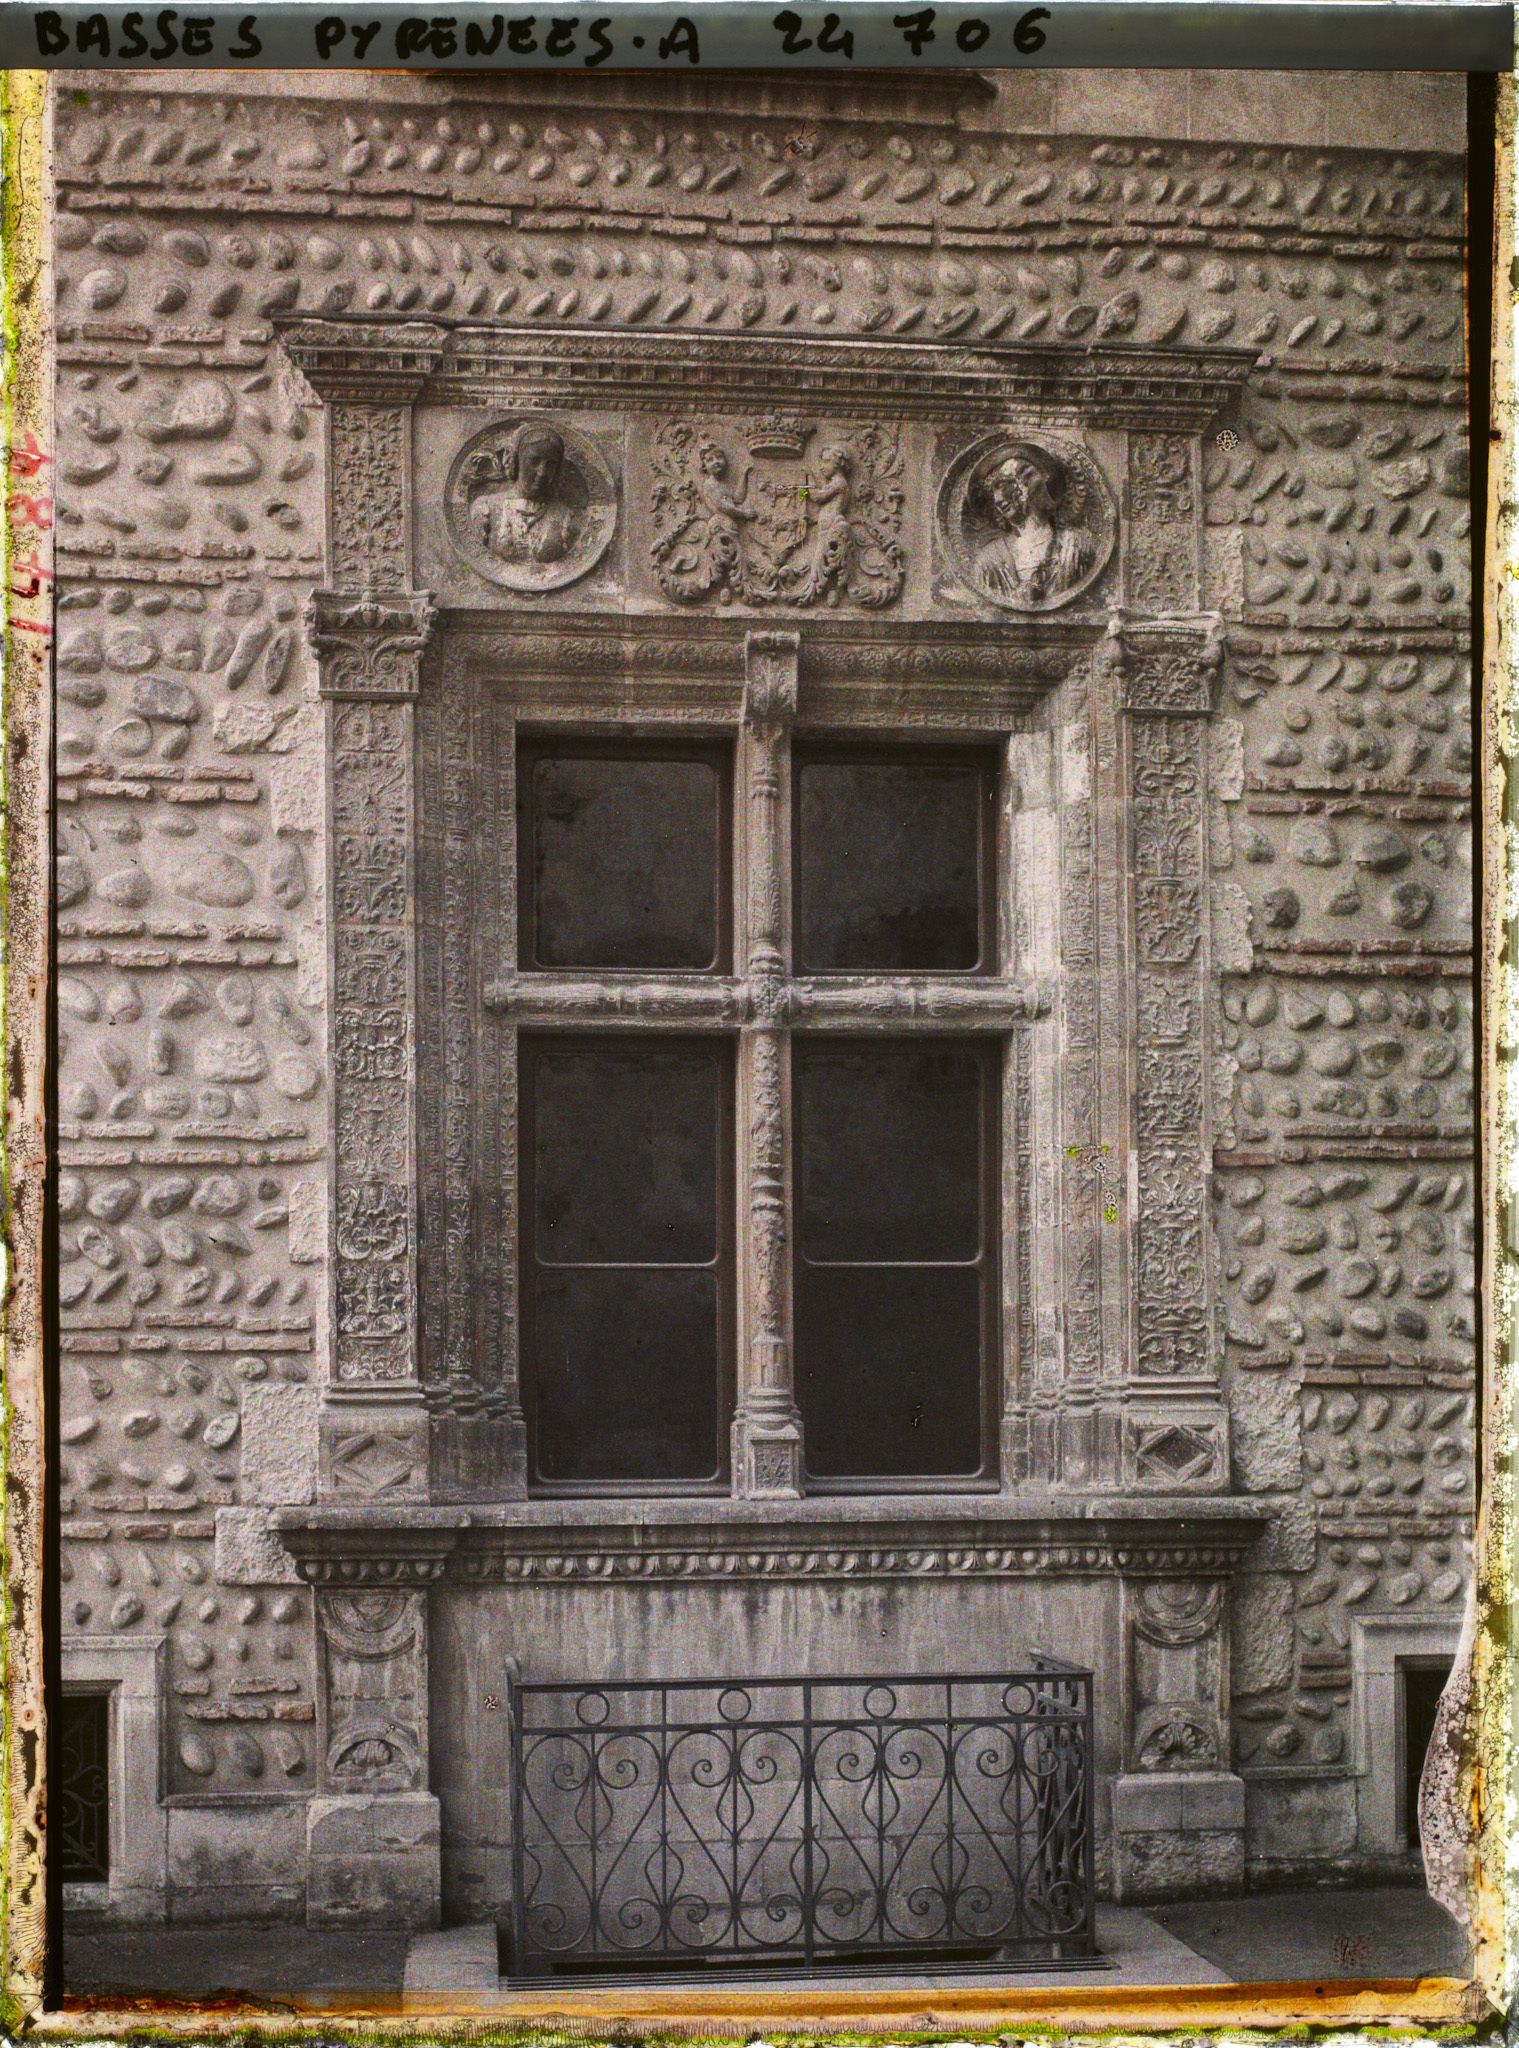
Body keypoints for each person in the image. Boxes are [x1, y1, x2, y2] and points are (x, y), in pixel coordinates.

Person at [970, 442, 1093, 607]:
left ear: (1026, 487)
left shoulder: (1075, 547)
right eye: (993, 493)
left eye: (1004, 486)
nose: (998, 499)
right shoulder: (989, 559)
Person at [471, 424, 580, 567]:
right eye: (534, 461)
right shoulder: (486, 509)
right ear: (516, 461)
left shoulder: (565, 516)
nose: (542, 472)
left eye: (551, 464)